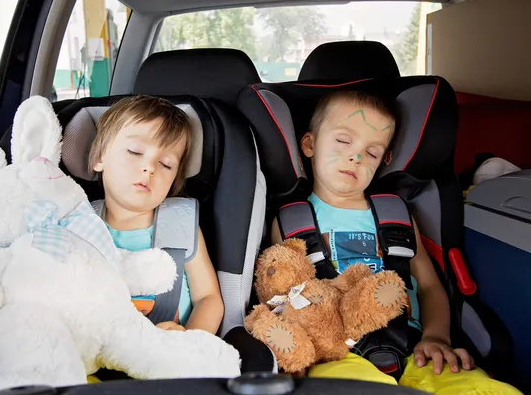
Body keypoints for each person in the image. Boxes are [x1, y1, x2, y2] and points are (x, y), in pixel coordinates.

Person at [271, 90, 521, 394]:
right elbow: (284, 297)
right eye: (343, 141)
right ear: (309, 144)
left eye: (372, 152)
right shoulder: (290, 222)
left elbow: (429, 285)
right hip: (336, 352)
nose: (357, 156)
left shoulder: (395, 214)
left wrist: (436, 338)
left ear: (384, 160)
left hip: (413, 345)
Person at [88, 95, 224, 334]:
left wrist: (192, 339)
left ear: (173, 182)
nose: (149, 167)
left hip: (166, 352)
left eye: (166, 164)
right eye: (134, 151)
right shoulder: (81, 222)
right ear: (99, 158)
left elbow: (209, 297)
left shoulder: (180, 226)